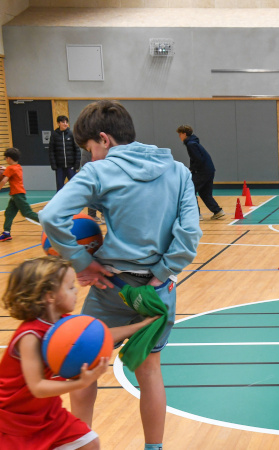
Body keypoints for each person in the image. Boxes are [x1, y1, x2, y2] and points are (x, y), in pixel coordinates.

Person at [39, 100, 202, 450]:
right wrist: (163, 272)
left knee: (84, 368)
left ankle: (79, 442)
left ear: (104, 139)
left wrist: (81, 262)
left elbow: (52, 217)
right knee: (150, 374)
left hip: (111, 286)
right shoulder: (178, 171)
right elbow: (189, 235)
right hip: (159, 292)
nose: (92, 157)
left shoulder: (99, 172)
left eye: (90, 149)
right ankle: (153, 448)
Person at [0, 256, 158, 449]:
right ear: (50, 296)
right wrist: (82, 383)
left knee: (89, 443)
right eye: (69, 287)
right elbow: (37, 387)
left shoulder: (62, 322)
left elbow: (102, 334)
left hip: (47, 412)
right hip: (16, 419)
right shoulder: (29, 336)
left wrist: (141, 326)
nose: (76, 291)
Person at [176, 125, 225, 220]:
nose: (179, 136)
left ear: (184, 134)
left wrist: (192, 169)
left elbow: (198, 159)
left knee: (190, 191)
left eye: (180, 134)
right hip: (209, 170)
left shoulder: (191, 144)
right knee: (205, 193)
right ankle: (217, 211)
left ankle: (196, 215)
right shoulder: (193, 142)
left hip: (202, 171)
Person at [0, 147, 40, 242]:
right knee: (9, 213)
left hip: (17, 195)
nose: (6, 160)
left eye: (6, 158)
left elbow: (4, 180)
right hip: (16, 195)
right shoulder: (18, 167)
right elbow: (12, 170)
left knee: (27, 213)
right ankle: (6, 233)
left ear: (9, 158)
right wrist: (5, 169)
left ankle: (49, 223)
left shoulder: (10, 169)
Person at [49, 115, 80, 191]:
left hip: (71, 166)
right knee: (60, 186)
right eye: (63, 122)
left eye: (66, 122)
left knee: (75, 186)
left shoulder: (71, 134)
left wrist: (76, 165)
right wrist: (54, 165)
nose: (65, 124)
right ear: (58, 123)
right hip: (60, 167)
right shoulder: (54, 135)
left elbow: (77, 150)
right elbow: (51, 151)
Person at [78, 147, 104, 225]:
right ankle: (101, 215)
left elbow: (83, 161)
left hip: (93, 171)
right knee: (100, 192)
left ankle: (94, 215)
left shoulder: (88, 144)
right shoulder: (100, 144)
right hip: (97, 171)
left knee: (93, 192)